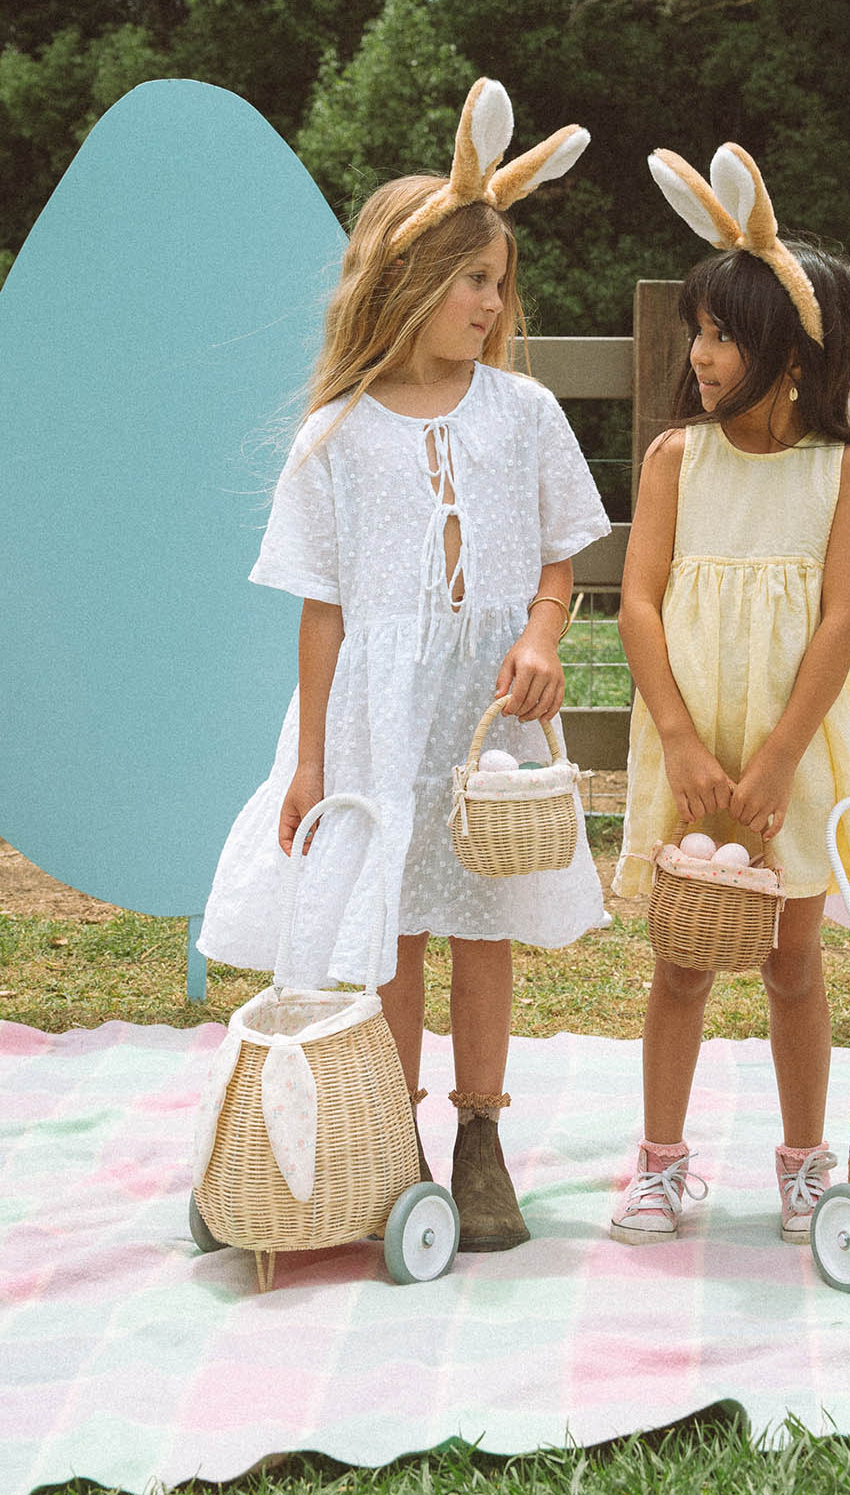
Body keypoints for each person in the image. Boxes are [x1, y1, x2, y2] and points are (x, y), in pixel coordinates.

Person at [198, 79, 610, 1253]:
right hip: (379, 720)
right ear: (410, 281)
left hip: (484, 719)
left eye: (498, 282)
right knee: (391, 930)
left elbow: (559, 559)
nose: (493, 302)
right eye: (473, 280)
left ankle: (482, 1136)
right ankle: (398, 1135)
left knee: (481, 923)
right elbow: (322, 614)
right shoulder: (336, 435)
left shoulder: (523, 413)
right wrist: (311, 761)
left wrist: (539, 636)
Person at [610, 143, 850, 1245]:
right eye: (703, 329)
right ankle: (660, 1164)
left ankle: (805, 1162)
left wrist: (775, 765)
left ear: (792, 353)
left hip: (791, 752)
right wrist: (680, 741)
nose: (703, 351)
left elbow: (842, 623)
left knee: (791, 961)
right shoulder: (679, 458)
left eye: (725, 334)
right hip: (694, 744)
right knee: (682, 958)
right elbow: (635, 604)